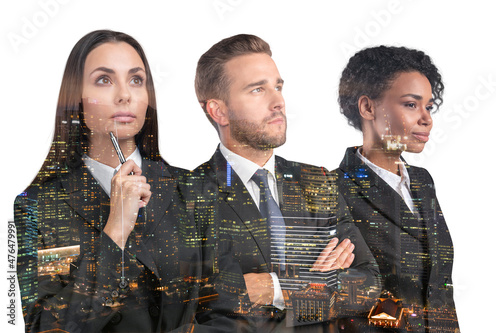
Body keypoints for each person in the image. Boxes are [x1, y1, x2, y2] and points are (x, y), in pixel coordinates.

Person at [14, 30, 200, 332]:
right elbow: (45, 326)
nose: (125, 94)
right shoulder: (38, 206)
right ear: (76, 98)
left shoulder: (194, 188)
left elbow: (228, 308)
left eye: (136, 80)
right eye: (104, 79)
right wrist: (116, 229)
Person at [193, 34, 378, 331]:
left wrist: (274, 288)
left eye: (277, 86)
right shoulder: (188, 195)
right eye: (257, 90)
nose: (278, 101)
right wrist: (316, 283)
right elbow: (208, 304)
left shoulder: (319, 182)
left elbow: (368, 283)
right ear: (219, 110)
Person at [334, 46, 459, 331]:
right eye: (411, 104)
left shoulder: (423, 182)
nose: (426, 118)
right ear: (367, 107)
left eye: (428, 106)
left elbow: (440, 290)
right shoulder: (331, 189)